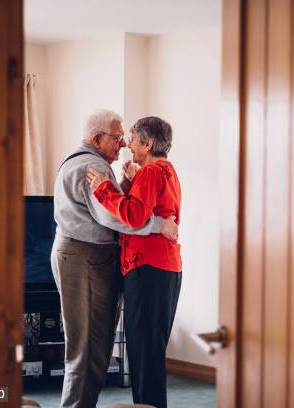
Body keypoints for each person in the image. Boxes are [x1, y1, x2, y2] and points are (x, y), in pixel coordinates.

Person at [51, 109, 178, 408]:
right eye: (119, 137)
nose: (123, 145)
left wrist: (121, 185)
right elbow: (118, 217)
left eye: (128, 138)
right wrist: (161, 226)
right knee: (88, 350)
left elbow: (122, 208)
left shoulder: (83, 161)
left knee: (97, 347)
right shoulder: (92, 168)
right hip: (86, 258)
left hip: (93, 257)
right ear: (96, 138)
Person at [87, 116, 182, 408]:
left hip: (147, 268)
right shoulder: (166, 171)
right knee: (151, 352)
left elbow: (133, 216)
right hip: (164, 268)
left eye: (133, 138)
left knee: (143, 354)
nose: (128, 144)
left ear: (148, 143)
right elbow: (145, 208)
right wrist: (131, 181)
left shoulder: (151, 173)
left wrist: (103, 188)